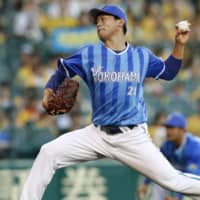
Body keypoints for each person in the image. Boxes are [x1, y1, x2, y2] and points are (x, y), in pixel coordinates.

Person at [20, 4, 200, 200]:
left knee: (173, 181)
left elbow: (169, 72)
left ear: (120, 22)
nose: (98, 24)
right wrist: (48, 92)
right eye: (96, 21)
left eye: (103, 19)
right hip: (97, 134)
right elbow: (62, 71)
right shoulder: (89, 54)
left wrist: (179, 45)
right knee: (48, 152)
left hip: (132, 137)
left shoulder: (140, 56)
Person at [138, 112, 200, 200]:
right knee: (160, 181)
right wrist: (146, 183)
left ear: (182, 130)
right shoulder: (167, 145)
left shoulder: (195, 147)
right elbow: (157, 165)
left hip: (196, 181)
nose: (168, 131)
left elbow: (192, 179)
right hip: (184, 178)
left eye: (171, 128)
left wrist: (178, 198)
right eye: (167, 127)